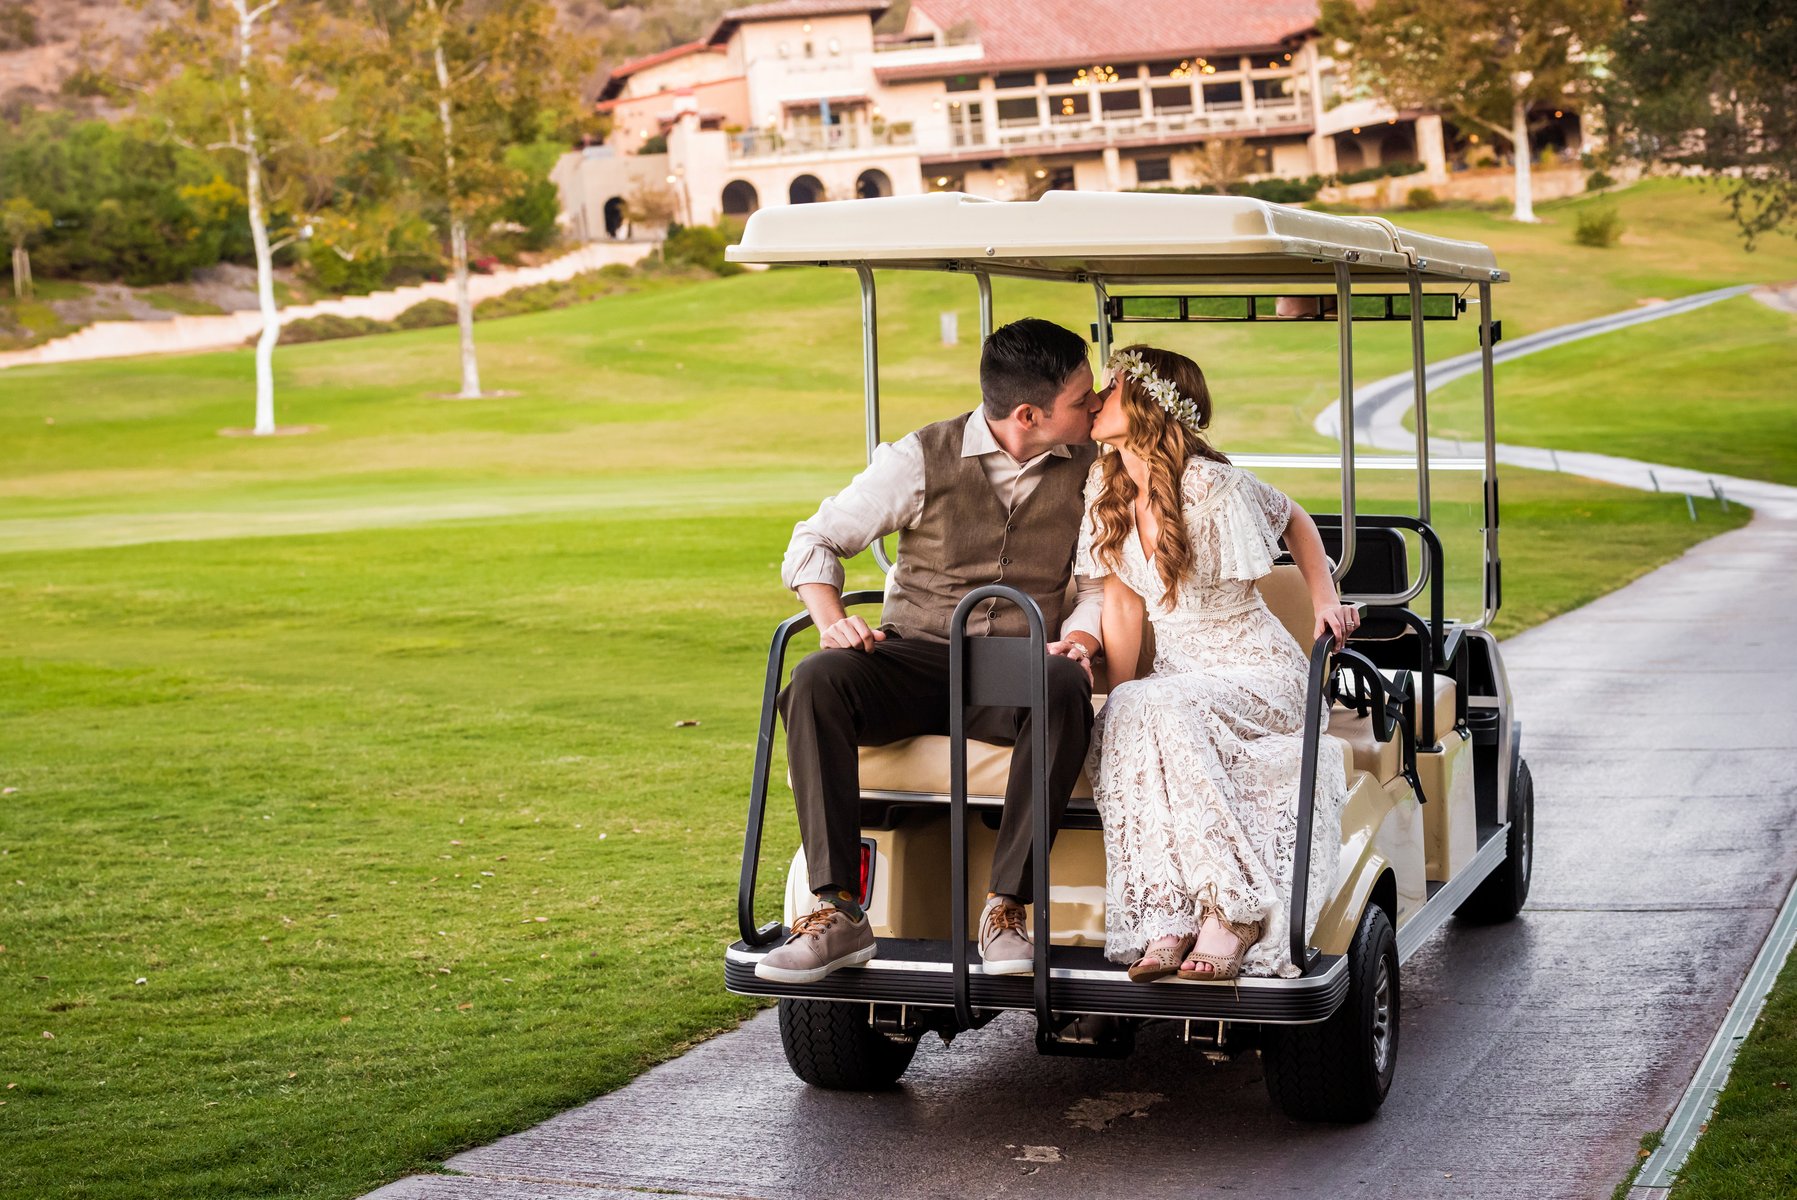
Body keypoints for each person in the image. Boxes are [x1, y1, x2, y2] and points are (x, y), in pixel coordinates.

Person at [756, 318, 1106, 986]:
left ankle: (1006, 906)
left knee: (1063, 683)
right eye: (1081, 397)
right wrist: (832, 621)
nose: (1094, 406)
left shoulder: (1093, 469)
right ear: (1028, 415)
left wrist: (1081, 639)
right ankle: (836, 909)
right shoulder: (919, 456)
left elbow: (1092, 586)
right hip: (916, 655)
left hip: (1016, 664)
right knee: (816, 678)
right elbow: (813, 540)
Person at [1077, 344, 1355, 982]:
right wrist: (1120, 703)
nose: (1096, 396)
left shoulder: (1207, 483)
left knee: (1152, 703)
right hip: (1179, 679)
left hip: (1258, 670)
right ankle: (1170, 915)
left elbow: (1294, 518)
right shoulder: (1104, 487)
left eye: (1112, 386)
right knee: (1129, 710)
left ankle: (1234, 913)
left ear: (1148, 403)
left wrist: (1324, 602)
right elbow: (1122, 603)